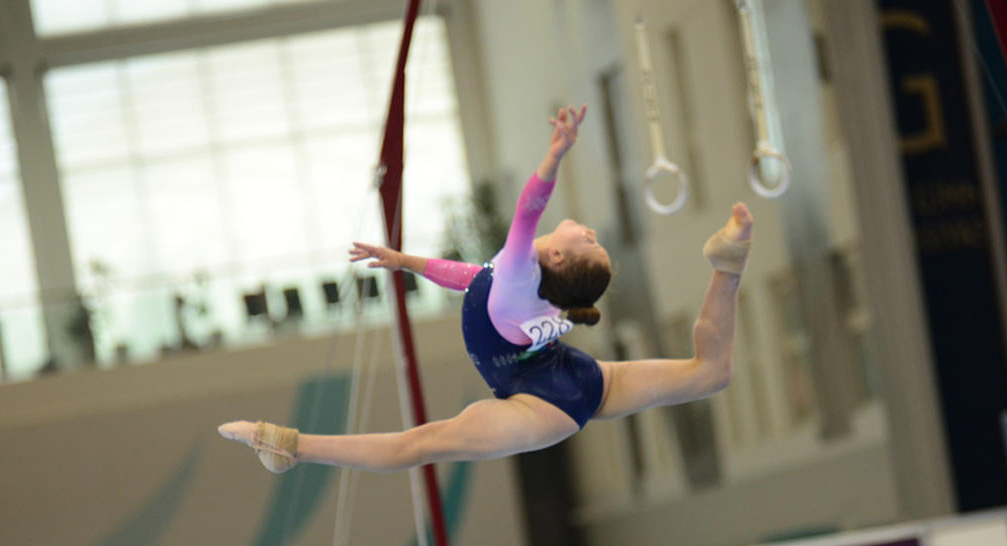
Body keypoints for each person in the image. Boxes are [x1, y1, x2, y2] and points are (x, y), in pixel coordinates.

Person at [219, 103, 751, 474]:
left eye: (590, 242)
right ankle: (726, 264)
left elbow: (528, 209)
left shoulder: (522, 272)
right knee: (710, 373)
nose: (589, 229)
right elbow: (473, 279)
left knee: (419, 445)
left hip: (541, 407)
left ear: (559, 257)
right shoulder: (518, 284)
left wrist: (554, 157)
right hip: (577, 377)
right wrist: (405, 261)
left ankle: (290, 446)